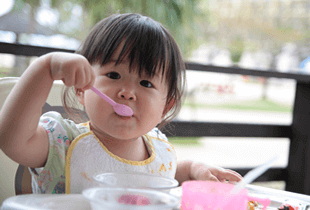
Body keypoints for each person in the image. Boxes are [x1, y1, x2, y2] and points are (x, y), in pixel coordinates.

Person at [0, 13, 242, 194]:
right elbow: (12, 139)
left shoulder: (159, 150)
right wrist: (45, 68)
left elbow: (163, 172)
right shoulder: (61, 143)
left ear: (166, 106)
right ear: (82, 90)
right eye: (114, 75)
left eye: (146, 83)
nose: (127, 92)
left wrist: (194, 169)